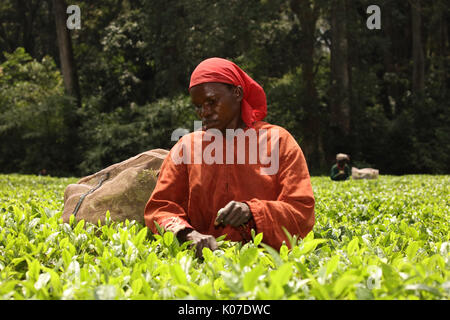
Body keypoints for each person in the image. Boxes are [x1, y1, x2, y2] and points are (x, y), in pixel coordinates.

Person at [144, 57, 315, 257]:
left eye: (211, 101)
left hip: (266, 265)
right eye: (197, 106)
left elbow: (301, 209)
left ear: (237, 93)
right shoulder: (186, 147)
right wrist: (189, 235)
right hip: (203, 266)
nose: (204, 113)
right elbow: (161, 208)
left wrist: (252, 211)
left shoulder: (278, 141)